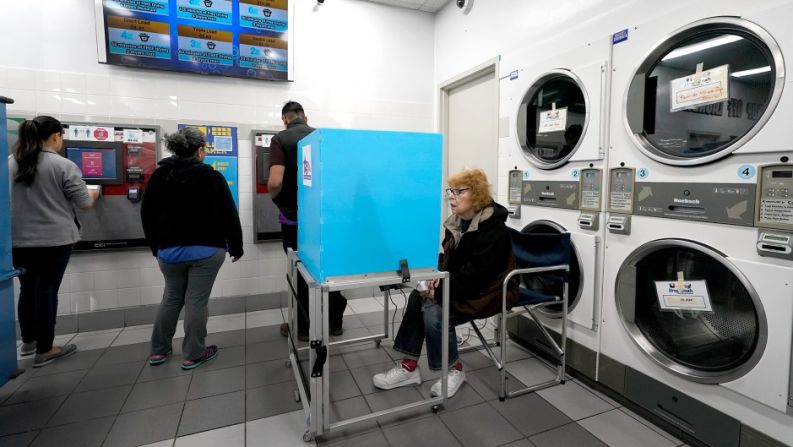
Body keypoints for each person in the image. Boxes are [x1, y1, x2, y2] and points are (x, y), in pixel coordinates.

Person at [372, 168, 518, 397]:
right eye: (451, 191)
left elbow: (478, 276)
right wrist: (435, 277)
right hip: (467, 285)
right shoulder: (457, 223)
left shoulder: (493, 230)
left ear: (478, 194)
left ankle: (454, 370)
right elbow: (450, 263)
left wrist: (439, 290)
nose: (451, 196)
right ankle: (410, 366)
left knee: (434, 309)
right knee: (417, 296)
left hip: (490, 290)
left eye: (459, 191)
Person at [141, 127, 243, 370]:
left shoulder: (159, 175)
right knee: (196, 300)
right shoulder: (211, 177)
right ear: (200, 150)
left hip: (169, 251)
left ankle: (158, 351)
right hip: (206, 250)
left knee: (171, 297)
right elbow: (229, 214)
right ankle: (194, 353)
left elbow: (147, 214)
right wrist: (236, 246)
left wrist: (156, 246)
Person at [9, 116, 99, 367]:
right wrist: (94, 191)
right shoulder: (63, 165)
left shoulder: (9, 164)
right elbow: (84, 203)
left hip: (18, 241)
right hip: (54, 241)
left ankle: (28, 342)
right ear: (56, 136)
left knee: (28, 289)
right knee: (47, 290)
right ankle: (46, 348)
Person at [268, 101, 347, 341]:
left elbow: (274, 181)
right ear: (305, 117)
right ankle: (334, 323)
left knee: (302, 270)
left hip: (295, 220)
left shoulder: (280, 139)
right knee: (328, 268)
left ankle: (303, 327)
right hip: (325, 219)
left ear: (285, 119)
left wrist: (278, 200)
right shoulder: (322, 137)